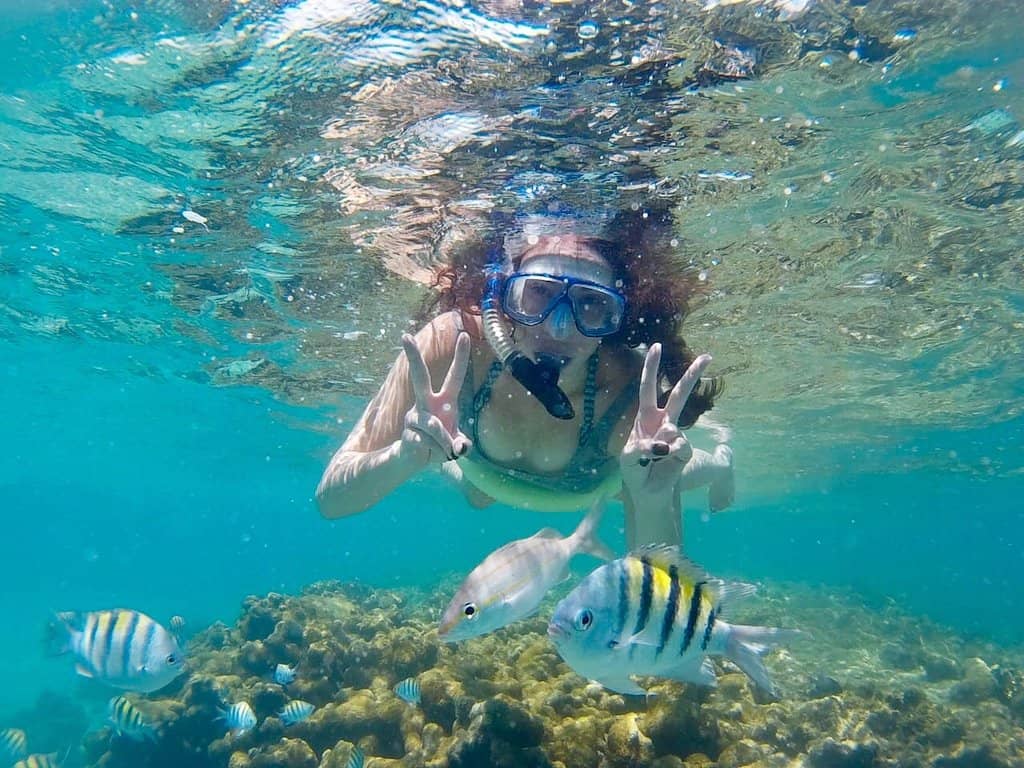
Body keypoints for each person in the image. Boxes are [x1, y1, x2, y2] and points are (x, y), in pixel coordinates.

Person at [316, 206, 735, 548]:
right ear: (500, 296)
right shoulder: (452, 345)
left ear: (616, 317)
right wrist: (402, 459)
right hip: (481, 475)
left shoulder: (629, 389)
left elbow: (658, 579)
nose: (559, 329)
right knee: (478, 491)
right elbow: (332, 500)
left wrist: (653, 497)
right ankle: (475, 485)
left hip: (595, 487)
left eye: (591, 305)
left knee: (660, 475)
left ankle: (720, 464)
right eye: (538, 293)